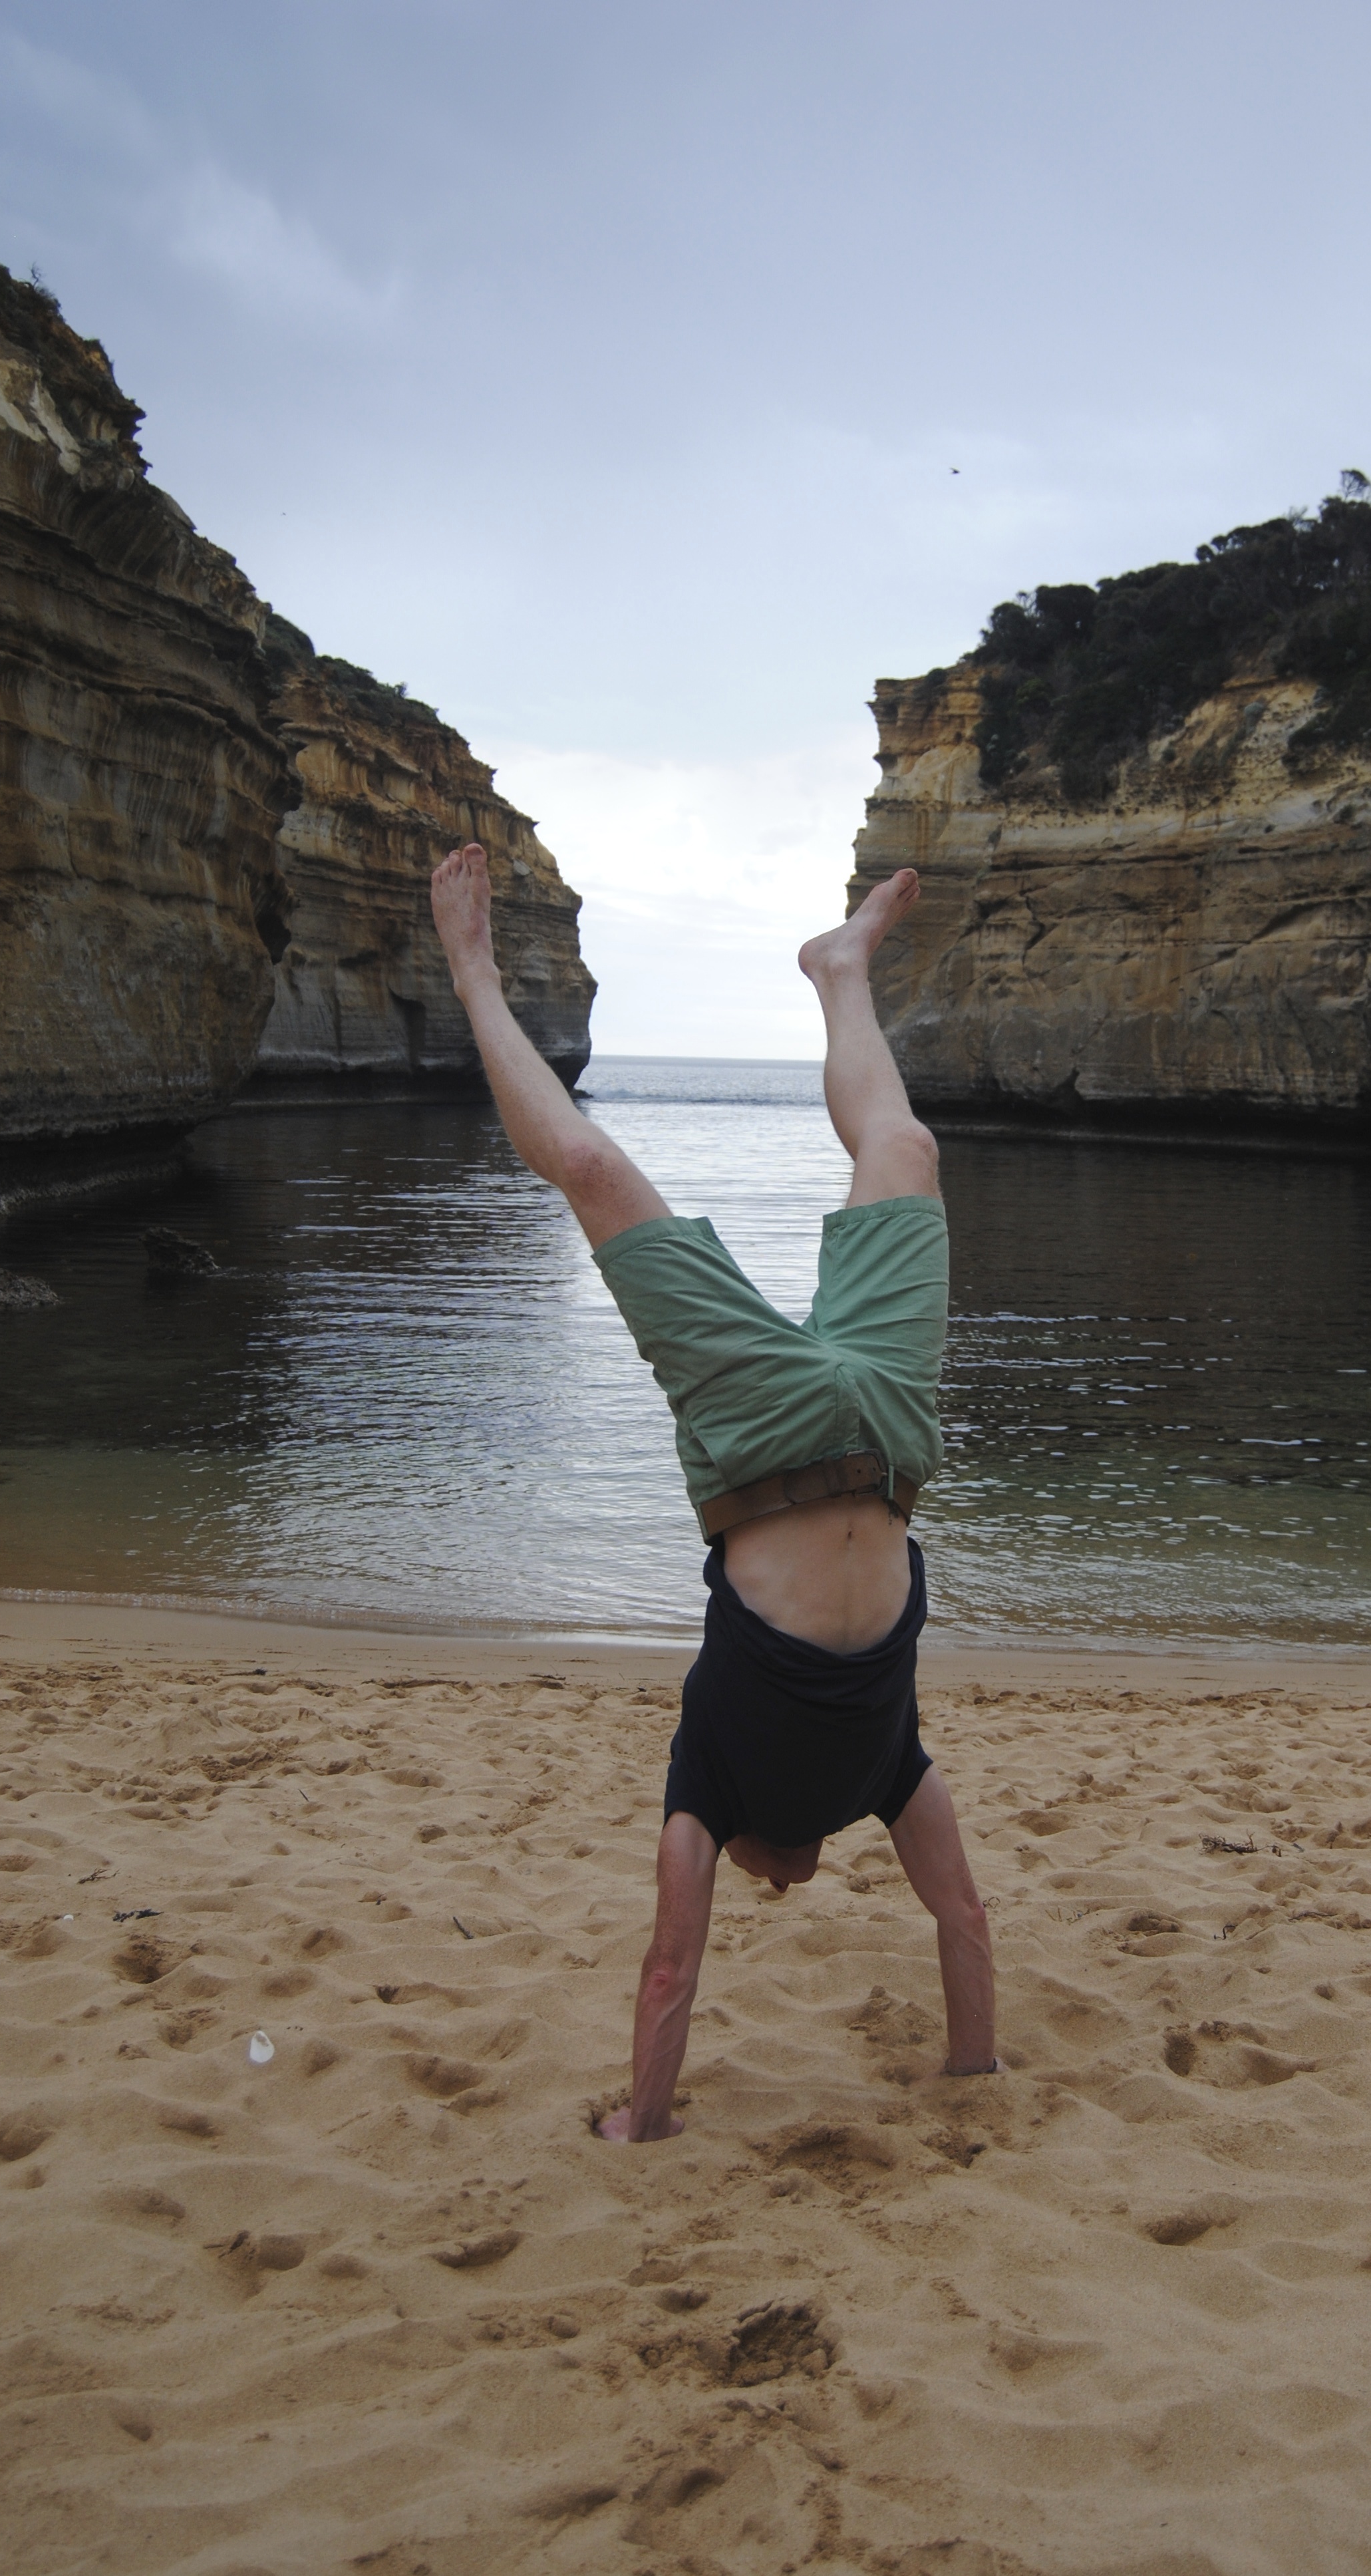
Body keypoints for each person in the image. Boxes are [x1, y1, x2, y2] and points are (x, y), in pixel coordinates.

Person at [430, 843, 995, 2143]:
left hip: (758, 1438)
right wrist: (973, 2070)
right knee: (906, 1144)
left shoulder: (710, 1787)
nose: (782, 1889)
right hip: (891, 1432)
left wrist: (642, 2122)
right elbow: (963, 1916)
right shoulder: (887, 1775)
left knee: (592, 1172)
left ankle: (471, 972)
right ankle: (840, 968)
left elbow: (670, 1967)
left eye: (763, 1888)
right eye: (790, 1886)